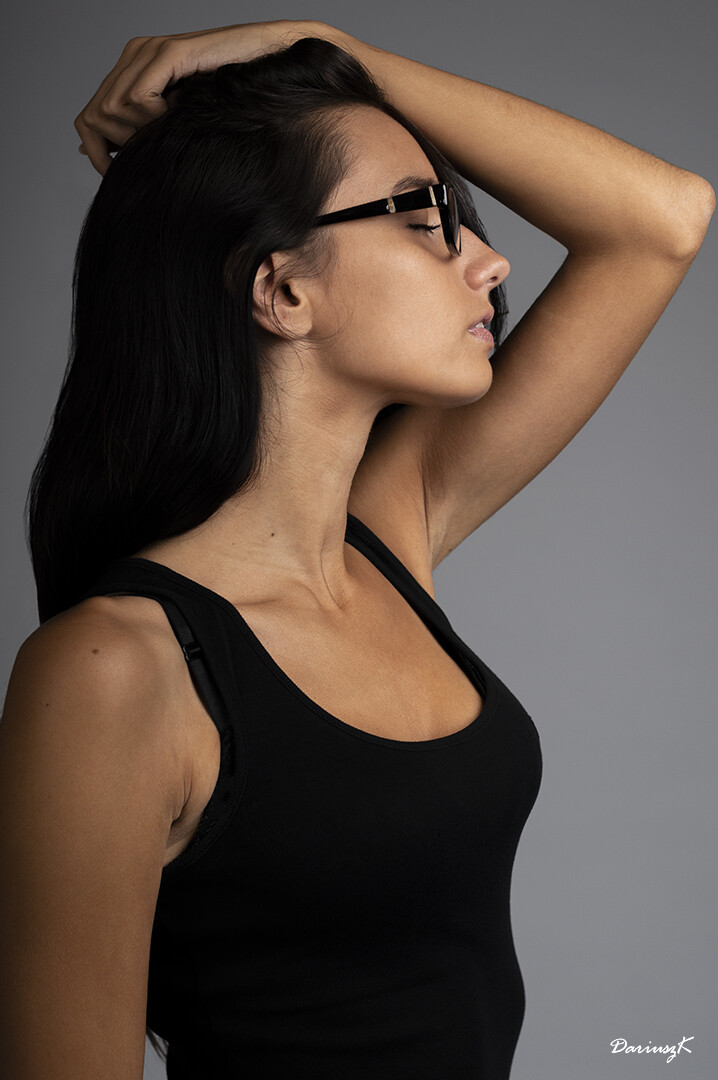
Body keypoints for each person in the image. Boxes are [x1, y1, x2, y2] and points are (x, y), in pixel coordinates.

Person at [0, 17, 713, 1080]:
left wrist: (332, 48)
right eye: (424, 219)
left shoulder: (385, 540)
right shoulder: (114, 671)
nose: (490, 261)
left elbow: (663, 219)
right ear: (282, 289)